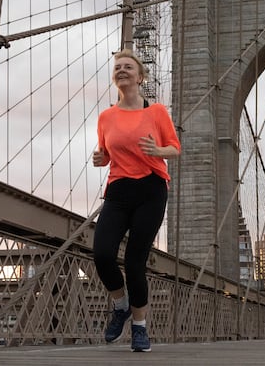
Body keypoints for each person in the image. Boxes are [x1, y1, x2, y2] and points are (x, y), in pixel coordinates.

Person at [92, 50, 181, 352]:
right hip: (118, 190)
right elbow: (106, 155)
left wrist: (158, 151)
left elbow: (175, 148)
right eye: (117, 67)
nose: (122, 70)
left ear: (140, 76)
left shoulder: (156, 112)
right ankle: (121, 306)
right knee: (102, 253)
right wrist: (99, 158)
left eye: (128, 67)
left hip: (151, 190)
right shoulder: (106, 117)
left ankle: (140, 329)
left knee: (134, 262)